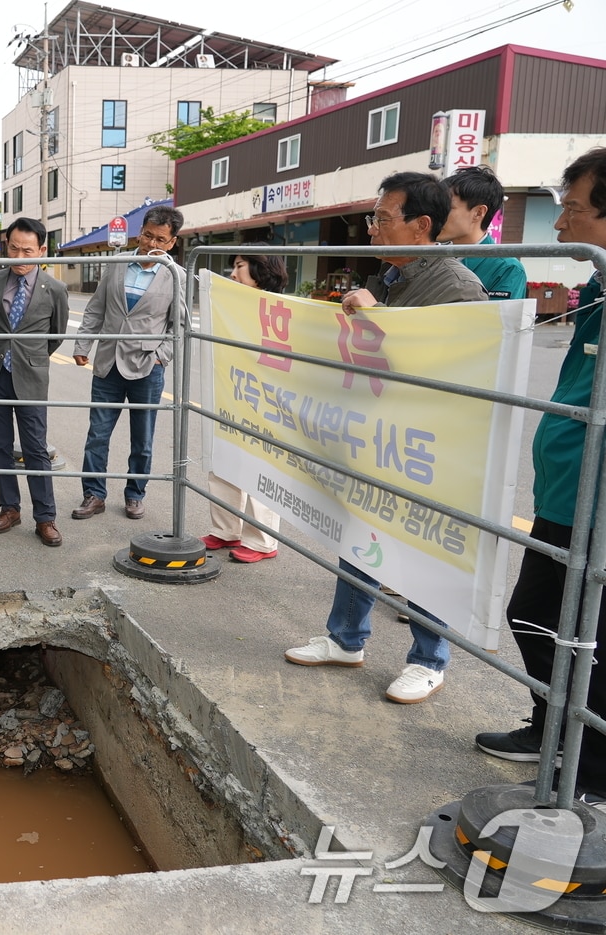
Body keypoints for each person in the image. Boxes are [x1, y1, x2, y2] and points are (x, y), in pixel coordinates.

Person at [284, 171, 488, 704]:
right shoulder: (390, 278)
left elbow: (457, 374)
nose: (371, 228)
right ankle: (345, 639)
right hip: (377, 439)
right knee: (360, 533)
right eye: (372, 217)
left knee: (422, 550)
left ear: (421, 226)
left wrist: (385, 323)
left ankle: (428, 659)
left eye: (381, 218)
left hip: (428, 448)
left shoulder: (458, 289)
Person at [475, 148, 606, 800]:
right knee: (534, 614)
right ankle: (550, 726)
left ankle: (590, 779)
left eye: (574, 210)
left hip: (598, 506)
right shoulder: (598, 288)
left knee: (589, 637)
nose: (560, 226)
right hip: (563, 492)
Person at [71, 206, 185, 522]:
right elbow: (96, 309)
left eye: (160, 239)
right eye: (147, 235)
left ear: (172, 242)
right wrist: (83, 344)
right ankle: (94, 494)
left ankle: (135, 495)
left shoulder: (176, 277)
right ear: (140, 232)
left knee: (143, 440)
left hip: (148, 369)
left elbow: (179, 326)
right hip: (108, 364)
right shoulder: (117, 264)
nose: (151, 244)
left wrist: (162, 357)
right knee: (97, 435)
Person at [0, 217, 71, 546]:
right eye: (13, 248)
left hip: (31, 376)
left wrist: (30, 355)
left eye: (27, 250)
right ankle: (9, 508)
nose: (19, 256)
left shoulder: (54, 289)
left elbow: (55, 336)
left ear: (42, 250)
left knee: (35, 449)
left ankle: (45, 517)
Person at [202, 246, 287, 563]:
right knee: (224, 460)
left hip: (263, 398)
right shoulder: (232, 304)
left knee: (260, 467)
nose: (233, 273)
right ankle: (226, 529)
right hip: (231, 392)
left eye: (239, 266)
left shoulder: (278, 308)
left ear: (261, 270)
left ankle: (263, 540)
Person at [441, 165, 529, 301]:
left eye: (446, 207)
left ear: (478, 213)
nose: (436, 215)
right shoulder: (431, 257)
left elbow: (496, 320)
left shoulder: (506, 269)